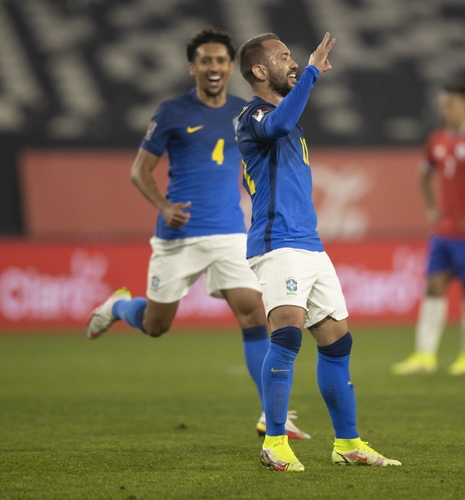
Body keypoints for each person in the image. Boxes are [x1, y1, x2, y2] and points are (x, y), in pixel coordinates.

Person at [84, 27, 309, 440]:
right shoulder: (171, 112)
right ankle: (119, 307)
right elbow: (139, 172)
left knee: (253, 315)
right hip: (180, 235)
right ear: (193, 67)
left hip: (228, 232)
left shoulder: (247, 111)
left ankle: (271, 414)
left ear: (229, 67)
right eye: (205, 60)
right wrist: (165, 207)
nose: (214, 67)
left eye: (221, 60)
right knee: (156, 325)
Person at [235, 32, 401, 472]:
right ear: (258, 70)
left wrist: (306, 75)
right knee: (287, 335)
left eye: (293, 57)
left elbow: (288, 121)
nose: (292, 62)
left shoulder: (286, 115)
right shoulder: (252, 116)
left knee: (336, 340)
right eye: (283, 57)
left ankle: (347, 443)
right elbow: (280, 124)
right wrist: (310, 72)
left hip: (309, 244)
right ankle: (274, 441)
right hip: (277, 244)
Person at [391, 82, 465, 376]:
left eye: (450, 104)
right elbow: (424, 175)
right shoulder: (436, 140)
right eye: (443, 105)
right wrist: (432, 208)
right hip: (444, 232)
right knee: (433, 286)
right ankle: (424, 355)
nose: (445, 110)